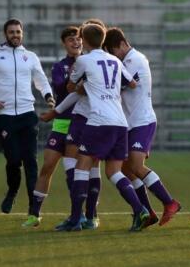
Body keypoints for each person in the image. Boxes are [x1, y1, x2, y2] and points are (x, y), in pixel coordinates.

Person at [60, 23, 149, 231]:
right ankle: (140, 210)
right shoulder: (115, 62)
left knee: (81, 166)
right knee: (114, 172)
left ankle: (75, 219)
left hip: (99, 121)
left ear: (85, 40)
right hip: (120, 123)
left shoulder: (83, 60)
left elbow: (71, 87)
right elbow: (132, 84)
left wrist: (85, 85)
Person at [0, 18, 55, 215]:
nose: (15, 35)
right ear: (5, 34)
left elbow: (41, 81)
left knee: (31, 160)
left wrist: (49, 97)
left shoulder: (31, 56)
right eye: (11, 32)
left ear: (22, 33)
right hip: (4, 115)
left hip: (28, 113)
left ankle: (33, 209)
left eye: (18, 32)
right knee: (13, 160)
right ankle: (12, 191)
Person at [103, 27, 181, 227]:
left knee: (136, 166)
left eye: (112, 51)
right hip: (131, 123)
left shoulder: (134, 59)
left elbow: (126, 84)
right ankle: (148, 212)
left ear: (121, 44)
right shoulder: (126, 60)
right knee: (128, 170)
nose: (113, 57)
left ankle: (169, 202)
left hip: (142, 121)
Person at [22, 26, 85, 227]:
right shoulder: (60, 66)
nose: (75, 43)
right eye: (71, 40)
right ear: (64, 44)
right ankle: (34, 214)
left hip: (82, 122)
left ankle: (82, 214)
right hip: (61, 121)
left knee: (76, 169)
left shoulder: (90, 63)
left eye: (78, 39)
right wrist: (74, 75)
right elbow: (59, 87)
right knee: (48, 166)